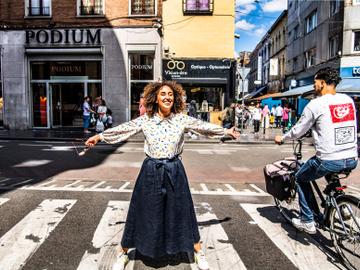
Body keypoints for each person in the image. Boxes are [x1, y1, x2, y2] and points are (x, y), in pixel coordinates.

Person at [85, 81, 239, 270]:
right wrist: (100, 137)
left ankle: (198, 251)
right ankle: (123, 252)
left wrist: (226, 131)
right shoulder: (146, 119)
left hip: (175, 170)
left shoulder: (181, 119)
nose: (167, 97)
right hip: (150, 171)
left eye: (170, 94)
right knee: (141, 211)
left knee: (183, 211)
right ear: (155, 98)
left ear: (175, 98)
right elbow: (124, 129)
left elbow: (203, 127)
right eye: (163, 94)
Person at [275, 67, 358, 234]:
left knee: (300, 178)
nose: (314, 86)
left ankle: (307, 220)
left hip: (328, 159)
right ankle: (342, 207)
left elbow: (298, 129)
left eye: (315, 82)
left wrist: (282, 138)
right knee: (331, 170)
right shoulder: (348, 100)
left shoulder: (316, 104)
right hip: (351, 158)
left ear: (322, 82)